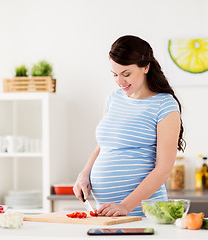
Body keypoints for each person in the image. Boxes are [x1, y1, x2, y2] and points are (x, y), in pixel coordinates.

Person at [73, 35, 185, 217]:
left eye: (126, 74)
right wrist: (84, 174)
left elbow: (164, 169)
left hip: (143, 212)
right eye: (115, 75)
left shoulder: (165, 105)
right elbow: (103, 146)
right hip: (108, 214)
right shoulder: (113, 99)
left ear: (146, 67)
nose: (120, 81)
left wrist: (125, 206)